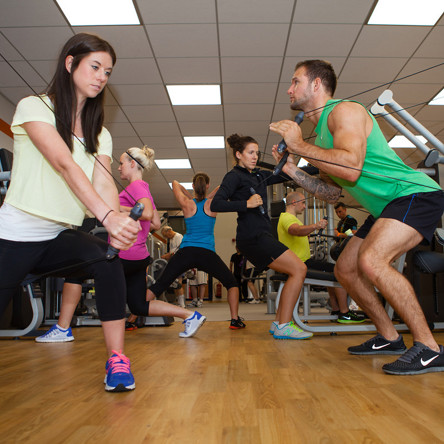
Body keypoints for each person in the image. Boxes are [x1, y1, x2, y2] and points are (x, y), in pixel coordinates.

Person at [270, 59, 444, 374]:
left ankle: (429, 348)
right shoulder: (322, 135)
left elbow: (352, 166)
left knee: (372, 260)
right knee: (346, 270)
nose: (289, 89)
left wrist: (298, 144)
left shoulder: (344, 111)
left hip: (412, 194)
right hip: (385, 207)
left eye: (296, 81)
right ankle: (389, 337)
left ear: (316, 85)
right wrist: (292, 169)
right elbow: (334, 192)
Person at [0, 33, 141, 392]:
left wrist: (116, 224)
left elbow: (104, 181)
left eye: (107, 72)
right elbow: (64, 164)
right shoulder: (35, 107)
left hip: (57, 237)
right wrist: (108, 217)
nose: (101, 77)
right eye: (95, 67)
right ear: (70, 63)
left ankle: (117, 360)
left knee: (106, 261)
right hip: (14, 235)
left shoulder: (100, 133)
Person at [36, 147, 206, 341]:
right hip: (138, 256)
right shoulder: (144, 188)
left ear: (133, 164)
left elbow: (148, 214)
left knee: (74, 275)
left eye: (122, 163)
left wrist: (114, 208)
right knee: (138, 306)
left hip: (124, 253)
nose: (119, 168)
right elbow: (156, 224)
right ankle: (190, 315)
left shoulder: (136, 187)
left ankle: (62, 328)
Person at [211, 134, 312, 339]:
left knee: (294, 271)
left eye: (256, 152)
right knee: (299, 269)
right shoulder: (234, 176)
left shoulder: (257, 175)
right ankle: (284, 324)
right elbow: (216, 204)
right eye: (250, 152)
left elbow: (286, 175)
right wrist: (246, 204)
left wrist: (306, 165)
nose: (255, 156)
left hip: (262, 235)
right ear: (238, 154)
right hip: (252, 237)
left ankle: (279, 323)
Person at [147, 173, 244, 329]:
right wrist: (205, 194)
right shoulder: (212, 204)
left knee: (160, 285)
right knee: (231, 283)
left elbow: (175, 181)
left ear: (193, 186)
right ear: (207, 186)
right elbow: (220, 188)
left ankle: (132, 318)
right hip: (206, 253)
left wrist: (191, 195)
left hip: (186, 251)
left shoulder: (187, 204)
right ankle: (234, 320)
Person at [277, 191, 364, 323]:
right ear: (294, 203)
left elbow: (297, 232)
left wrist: (307, 233)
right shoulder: (287, 218)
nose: (305, 206)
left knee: (333, 269)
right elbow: (295, 230)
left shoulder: (290, 218)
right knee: (339, 272)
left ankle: (336, 309)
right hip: (300, 264)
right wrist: (315, 226)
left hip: (304, 261)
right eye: (303, 202)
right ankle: (344, 313)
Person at [161, 226, 185, 308]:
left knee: (178, 283)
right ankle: (179, 302)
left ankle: (182, 304)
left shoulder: (178, 237)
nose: (166, 237)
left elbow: (179, 250)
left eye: (166, 235)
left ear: (169, 231)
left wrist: (168, 255)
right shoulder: (172, 239)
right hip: (174, 262)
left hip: (180, 262)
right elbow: (172, 250)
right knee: (174, 283)